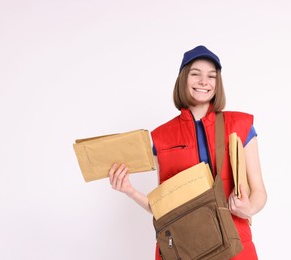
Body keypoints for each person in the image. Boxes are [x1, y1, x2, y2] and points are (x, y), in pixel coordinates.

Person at [108, 45, 267, 259]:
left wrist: (248, 209)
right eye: (195, 74)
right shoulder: (161, 137)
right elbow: (165, 209)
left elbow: (259, 191)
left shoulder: (240, 125)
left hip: (235, 244)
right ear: (183, 79)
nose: (204, 81)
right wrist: (130, 191)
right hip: (185, 247)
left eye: (211, 76)